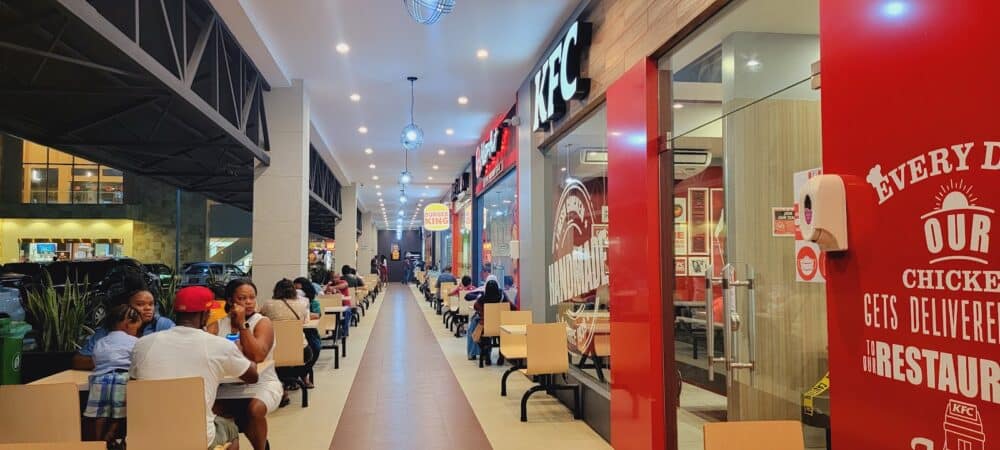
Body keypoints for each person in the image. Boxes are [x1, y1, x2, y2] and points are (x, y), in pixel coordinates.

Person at [130, 286, 258, 450]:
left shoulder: (142, 345)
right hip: (197, 438)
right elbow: (252, 376)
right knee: (230, 427)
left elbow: (134, 383)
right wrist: (243, 351)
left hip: (146, 439)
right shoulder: (219, 346)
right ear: (205, 315)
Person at [215, 279, 281, 450]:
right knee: (209, 409)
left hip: (262, 382)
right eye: (242, 298)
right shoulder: (217, 325)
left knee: (254, 409)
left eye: (252, 297)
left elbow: (257, 356)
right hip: (225, 386)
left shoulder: (262, 322)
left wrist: (242, 325)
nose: (249, 302)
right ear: (230, 300)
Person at [73, 273, 175, 370]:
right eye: (140, 304)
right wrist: (111, 359)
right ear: (125, 306)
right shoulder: (110, 327)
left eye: (151, 304)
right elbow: (78, 361)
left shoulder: (163, 325)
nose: (148, 308)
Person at [83, 304, 142, 447]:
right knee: (120, 412)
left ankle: (98, 442)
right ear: (128, 324)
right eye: (137, 328)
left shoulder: (100, 342)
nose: (137, 332)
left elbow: (95, 360)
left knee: (99, 413)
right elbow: (137, 362)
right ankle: (112, 432)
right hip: (123, 378)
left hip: (100, 379)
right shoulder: (135, 342)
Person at [260, 279, 314, 392]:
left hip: (273, 349)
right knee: (309, 351)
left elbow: (261, 319)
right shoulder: (302, 304)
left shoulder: (268, 304)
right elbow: (305, 321)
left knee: (278, 360)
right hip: (299, 349)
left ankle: (283, 386)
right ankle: (295, 379)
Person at [469, 279, 515, 365]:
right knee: (501, 335)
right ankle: (501, 357)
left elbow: (475, 306)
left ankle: (487, 356)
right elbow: (512, 307)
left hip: (487, 327)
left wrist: (483, 312)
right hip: (501, 327)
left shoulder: (483, 298)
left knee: (483, 333)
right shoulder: (502, 296)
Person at [293, 277, 323, 387]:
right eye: (295, 290)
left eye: (300, 290)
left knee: (315, 348)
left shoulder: (313, 302)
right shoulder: (290, 304)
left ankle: (303, 374)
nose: (298, 293)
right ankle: (294, 377)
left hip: (309, 331)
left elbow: (318, 315)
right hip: (292, 333)